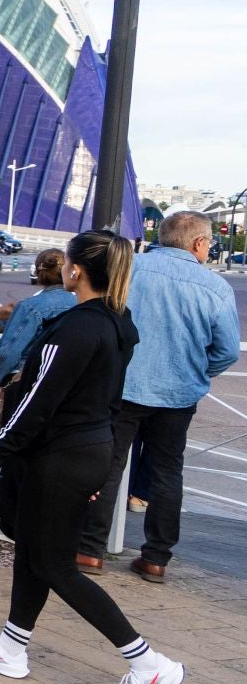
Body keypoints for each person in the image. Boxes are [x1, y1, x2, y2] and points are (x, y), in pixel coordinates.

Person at [0, 232, 187, 684]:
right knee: (36, 553)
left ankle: (147, 663)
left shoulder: (79, 328)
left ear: (76, 270)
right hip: (82, 450)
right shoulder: (116, 322)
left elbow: (39, 399)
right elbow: (102, 399)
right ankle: (12, 646)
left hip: (62, 454)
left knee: (55, 564)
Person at [78, 209, 240, 580]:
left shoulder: (129, 267)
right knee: (166, 472)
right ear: (199, 243)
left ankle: (89, 549)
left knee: (108, 464)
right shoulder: (214, 287)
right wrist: (198, 372)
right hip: (178, 393)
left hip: (121, 385)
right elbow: (227, 350)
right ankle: (156, 557)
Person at [0, 249, 75, 388]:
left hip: (26, 378)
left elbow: (8, 354)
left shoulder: (30, 307)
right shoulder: (81, 304)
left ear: (38, 273)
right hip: (64, 379)